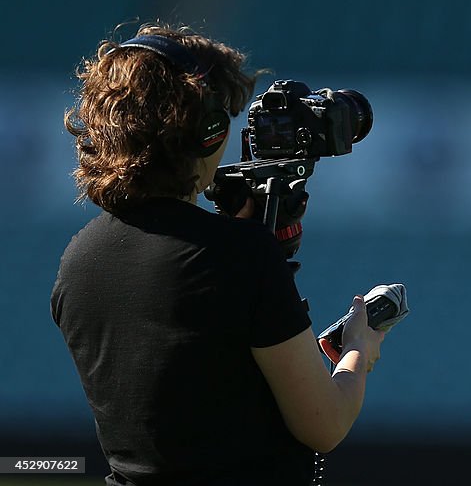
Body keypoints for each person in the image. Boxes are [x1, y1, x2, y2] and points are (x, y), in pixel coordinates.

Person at [52, 24, 384, 485]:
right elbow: (324, 425)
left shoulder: (78, 258)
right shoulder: (241, 256)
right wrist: (357, 353)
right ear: (206, 130)